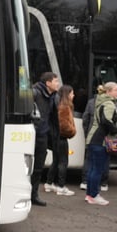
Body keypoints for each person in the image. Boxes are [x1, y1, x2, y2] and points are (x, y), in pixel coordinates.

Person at [83, 82, 117, 206]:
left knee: (92, 168)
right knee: (97, 169)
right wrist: (115, 130)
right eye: (115, 90)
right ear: (108, 92)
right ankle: (94, 195)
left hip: (93, 139)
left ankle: (89, 194)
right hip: (101, 141)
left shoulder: (99, 102)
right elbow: (106, 120)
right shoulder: (109, 104)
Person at [31, 72, 61, 206]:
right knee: (27, 167)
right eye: (55, 81)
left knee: (38, 168)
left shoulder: (53, 96)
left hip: (43, 135)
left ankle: (34, 195)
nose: (58, 84)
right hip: (31, 135)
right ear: (48, 83)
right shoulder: (34, 93)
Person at [44, 84, 76, 196]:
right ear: (67, 94)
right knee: (63, 162)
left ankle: (49, 183)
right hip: (61, 138)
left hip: (56, 138)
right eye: (72, 93)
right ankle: (61, 186)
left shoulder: (59, 105)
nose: (74, 95)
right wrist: (72, 131)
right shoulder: (64, 107)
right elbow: (63, 126)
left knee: (56, 161)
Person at [79, 94, 110, 192]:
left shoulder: (91, 102)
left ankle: (85, 182)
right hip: (105, 137)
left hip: (91, 136)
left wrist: (87, 132)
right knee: (103, 161)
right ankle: (102, 184)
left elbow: (85, 119)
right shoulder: (112, 104)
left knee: (89, 160)